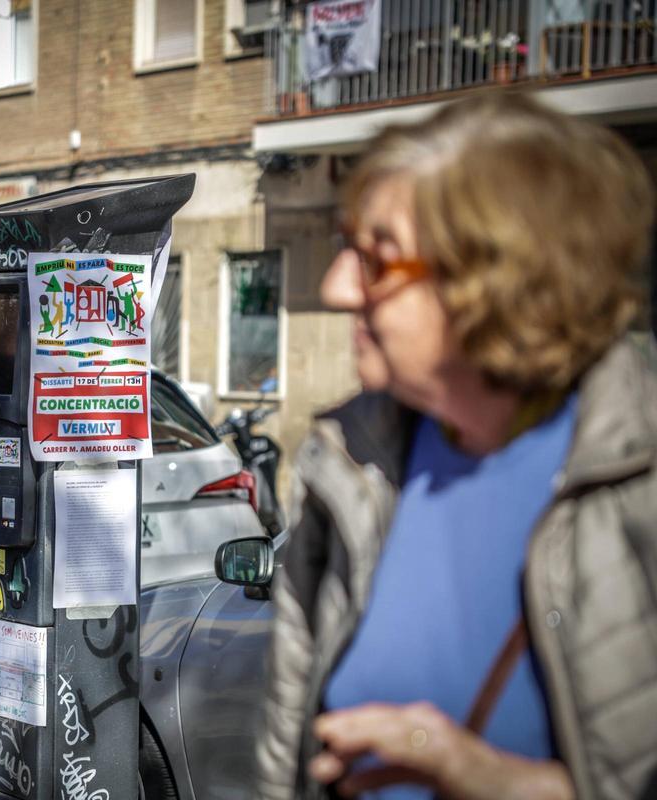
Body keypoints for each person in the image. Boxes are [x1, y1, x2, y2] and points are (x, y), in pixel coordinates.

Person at [254, 92, 657, 800]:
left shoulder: (636, 476)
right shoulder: (345, 461)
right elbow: (287, 747)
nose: (336, 286)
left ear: (496, 283)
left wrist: (494, 779)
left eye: (376, 260)